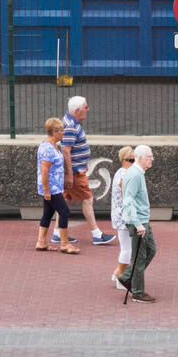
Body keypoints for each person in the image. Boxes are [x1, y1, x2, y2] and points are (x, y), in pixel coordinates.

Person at [50, 95, 116, 246]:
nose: (88, 110)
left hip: (75, 169)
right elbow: (66, 151)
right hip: (75, 172)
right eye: (86, 107)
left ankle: (57, 233)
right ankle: (97, 234)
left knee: (66, 200)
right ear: (78, 110)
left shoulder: (70, 122)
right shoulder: (71, 126)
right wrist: (70, 175)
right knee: (87, 200)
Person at [117, 145, 157, 303]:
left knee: (151, 250)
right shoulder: (134, 175)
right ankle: (138, 292)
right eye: (149, 156)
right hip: (138, 222)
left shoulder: (138, 173)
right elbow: (128, 201)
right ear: (140, 158)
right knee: (140, 257)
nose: (152, 159)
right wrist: (137, 224)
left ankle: (127, 277)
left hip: (142, 220)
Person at [36, 117, 79, 254]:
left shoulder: (53, 145)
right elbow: (44, 171)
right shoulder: (48, 148)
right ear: (54, 132)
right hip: (51, 188)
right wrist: (47, 190)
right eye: (61, 131)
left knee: (48, 213)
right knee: (64, 211)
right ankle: (65, 243)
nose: (63, 133)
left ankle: (41, 242)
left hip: (54, 187)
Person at [109, 145, 135, 289]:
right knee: (127, 249)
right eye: (132, 160)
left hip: (119, 215)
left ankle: (117, 272)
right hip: (124, 216)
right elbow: (125, 190)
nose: (134, 163)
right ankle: (120, 276)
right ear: (124, 160)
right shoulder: (125, 174)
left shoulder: (120, 171)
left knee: (126, 247)